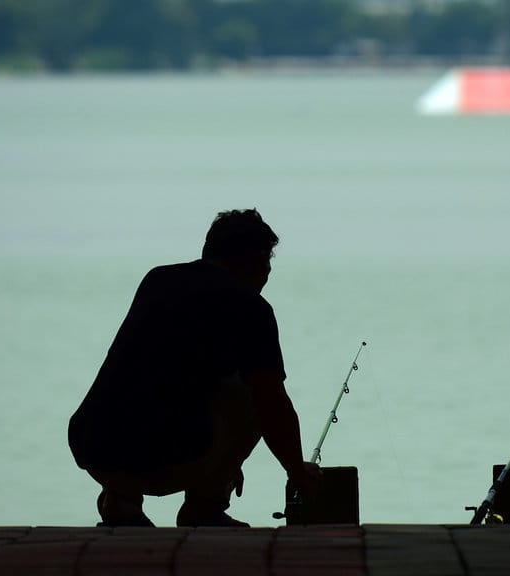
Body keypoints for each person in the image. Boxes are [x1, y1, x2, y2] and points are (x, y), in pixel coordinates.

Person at [68, 208, 323, 527]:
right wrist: (297, 472)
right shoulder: (251, 308)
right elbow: (272, 402)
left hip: (93, 447)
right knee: (251, 393)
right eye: (267, 263)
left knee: (138, 381)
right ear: (258, 259)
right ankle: (205, 506)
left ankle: (120, 500)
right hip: (167, 459)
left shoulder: (157, 280)